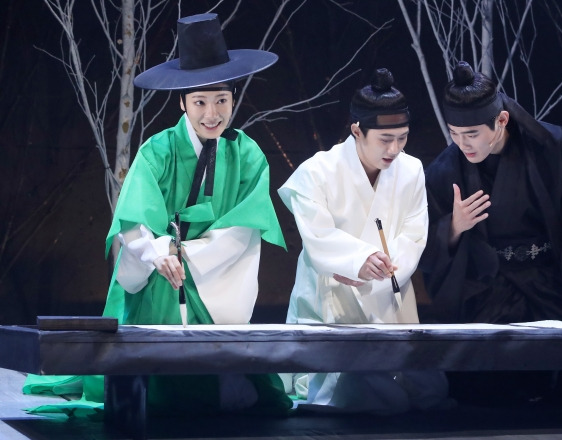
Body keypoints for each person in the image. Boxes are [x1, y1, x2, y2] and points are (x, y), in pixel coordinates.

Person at [23, 13, 291, 417]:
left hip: (214, 276)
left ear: (234, 99)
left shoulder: (248, 154)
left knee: (240, 396)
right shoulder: (157, 151)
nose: (212, 113)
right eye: (200, 102)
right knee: (163, 381)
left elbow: (245, 227)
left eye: (222, 100)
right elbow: (133, 222)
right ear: (182, 102)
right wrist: (159, 253)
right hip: (156, 273)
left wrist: (190, 256)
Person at [420, 60, 562, 403]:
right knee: (483, 388)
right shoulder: (447, 168)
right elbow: (428, 241)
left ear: (501, 120)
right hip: (489, 284)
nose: (462, 144)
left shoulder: (552, 148)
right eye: (454, 133)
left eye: (471, 134)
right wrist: (453, 227)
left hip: (550, 279)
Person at [278, 68, 449, 414]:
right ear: (357, 130)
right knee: (345, 390)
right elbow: (318, 236)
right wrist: (358, 260)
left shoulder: (411, 170)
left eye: (402, 138)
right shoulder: (317, 172)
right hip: (331, 294)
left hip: (390, 294)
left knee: (426, 390)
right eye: (385, 139)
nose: (395, 149)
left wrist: (383, 269)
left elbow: (415, 233)